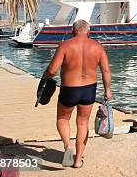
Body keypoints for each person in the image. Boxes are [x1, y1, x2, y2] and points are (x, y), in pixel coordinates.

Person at [43, 20, 112, 168]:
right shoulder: (97, 47)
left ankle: (68, 145)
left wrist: (44, 79)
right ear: (89, 31)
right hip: (89, 89)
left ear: (73, 31)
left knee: (62, 118)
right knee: (82, 123)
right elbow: (106, 71)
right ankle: (78, 160)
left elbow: (52, 70)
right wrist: (108, 90)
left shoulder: (65, 45)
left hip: (69, 88)